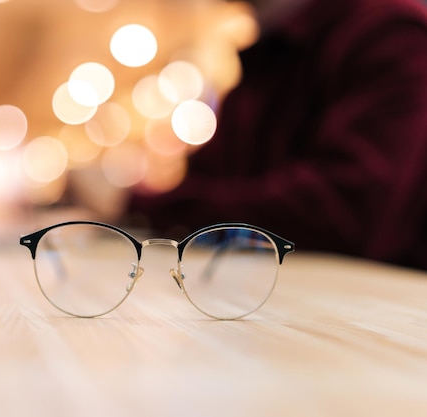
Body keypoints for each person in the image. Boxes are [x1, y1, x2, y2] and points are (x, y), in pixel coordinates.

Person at [126, 0, 427, 269]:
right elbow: (210, 184)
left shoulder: (387, 32)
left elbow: (349, 214)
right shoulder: (268, 57)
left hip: (371, 318)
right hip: (271, 306)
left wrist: (139, 205)